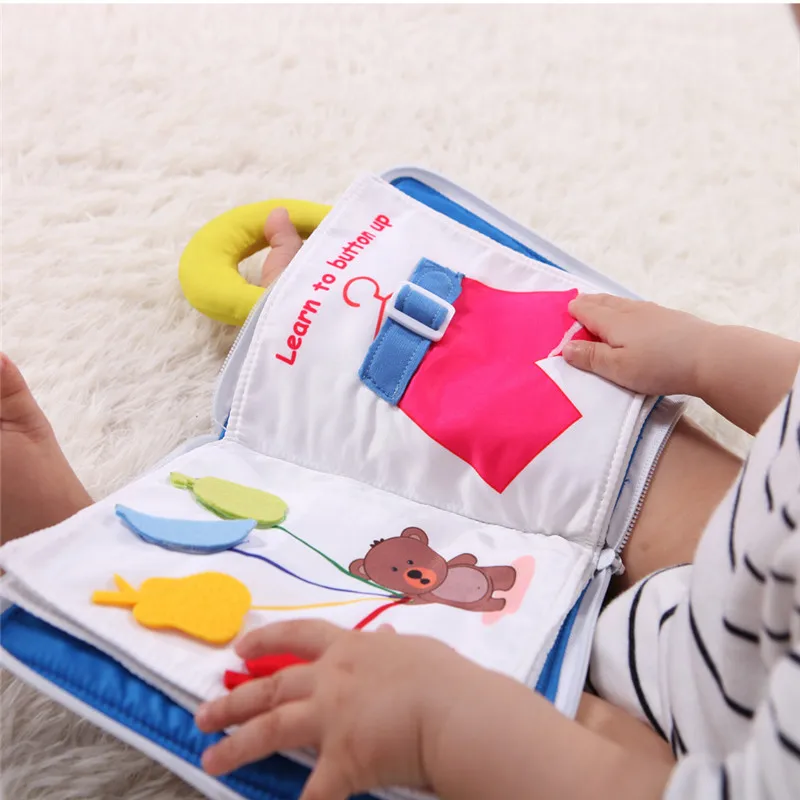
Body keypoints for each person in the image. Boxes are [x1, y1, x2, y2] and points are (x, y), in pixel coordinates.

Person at [2, 212, 799, 799]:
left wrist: (437, 726)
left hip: (694, 751)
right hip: (757, 556)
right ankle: (348, 326)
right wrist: (706, 355)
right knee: (605, 408)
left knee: (403, 697)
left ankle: (79, 567)